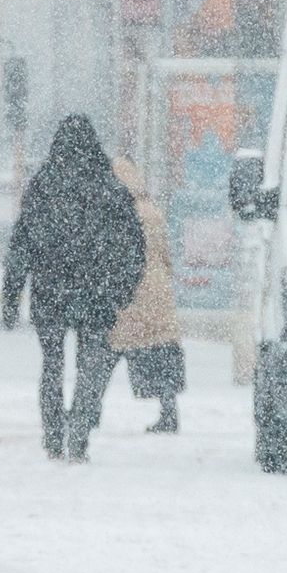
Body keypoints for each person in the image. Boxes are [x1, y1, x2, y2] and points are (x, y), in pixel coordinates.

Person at [0, 117, 149, 459]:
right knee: (89, 366)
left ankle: (52, 435)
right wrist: (124, 289)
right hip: (95, 293)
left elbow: (21, 245)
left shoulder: (43, 185)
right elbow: (134, 244)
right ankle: (79, 436)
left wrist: (11, 296)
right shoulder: (109, 186)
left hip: (51, 290)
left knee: (51, 364)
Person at [105, 152, 187, 436]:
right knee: (161, 350)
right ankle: (169, 412)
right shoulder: (153, 210)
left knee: (109, 349)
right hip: (158, 287)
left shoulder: (118, 212)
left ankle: (88, 410)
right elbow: (166, 254)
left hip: (131, 288)